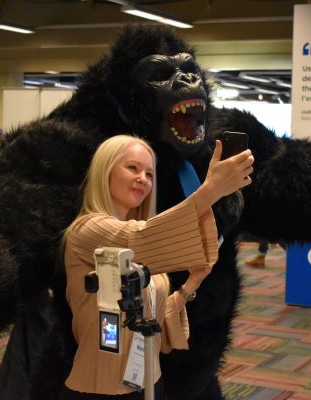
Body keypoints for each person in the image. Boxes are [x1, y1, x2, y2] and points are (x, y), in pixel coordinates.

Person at [61, 134, 253, 399]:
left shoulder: (137, 237)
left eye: (149, 174)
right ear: (104, 171)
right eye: (132, 168)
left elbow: (152, 320)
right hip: (101, 386)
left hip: (147, 381)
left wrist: (191, 285)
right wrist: (211, 190)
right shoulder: (87, 230)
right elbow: (138, 239)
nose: (143, 179)